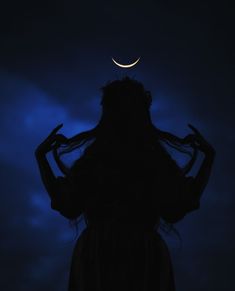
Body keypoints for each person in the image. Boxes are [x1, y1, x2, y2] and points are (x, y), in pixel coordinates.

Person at [35, 77, 216, 291]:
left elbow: (68, 205)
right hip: (143, 256)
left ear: (106, 112)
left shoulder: (95, 160)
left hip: (98, 255)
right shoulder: (153, 160)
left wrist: (41, 158)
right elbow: (176, 209)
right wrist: (208, 159)